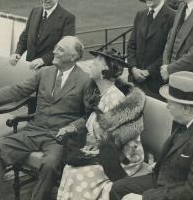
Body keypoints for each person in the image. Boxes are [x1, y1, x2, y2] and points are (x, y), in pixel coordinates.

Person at [0, 36, 91, 200]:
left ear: (74, 56)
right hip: (35, 130)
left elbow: (90, 114)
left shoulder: (85, 80)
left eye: (60, 49)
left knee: (49, 165)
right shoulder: (44, 72)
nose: (54, 51)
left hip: (59, 137)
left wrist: (72, 127)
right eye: (55, 47)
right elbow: (18, 90)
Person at [110, 71, 193, 200]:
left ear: (186, 108)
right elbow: (179, 147)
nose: (167, 106)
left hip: (180, 191)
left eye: (170, 103)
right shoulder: (192, 115)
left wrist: (145, 198)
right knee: (118, 188)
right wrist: (160, 163)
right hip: (169, 178)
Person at [57, 49, 146, 200]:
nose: (91, 64)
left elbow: (118, 143)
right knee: (69, 168)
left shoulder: (115, 98)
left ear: (105, 68)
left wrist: (94, 149)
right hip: (105, 153)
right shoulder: (103, 95)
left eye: (96, 61)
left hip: (122, 160)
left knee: (77, 174)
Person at [9, 0, 75, 70]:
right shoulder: (35, 11)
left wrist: (44, 60)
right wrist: (17, 53)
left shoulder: (67, 18)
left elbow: (66, 48)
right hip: (30, 68)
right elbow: (26, 36)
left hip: (51, 70)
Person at [127, 0, 175, 100]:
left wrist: (148, 71)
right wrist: (133, 68)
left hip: (156, 84)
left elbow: (169, 52)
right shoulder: (140, 15)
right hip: (134, 82)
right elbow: (131, 45)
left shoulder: (173, 17)